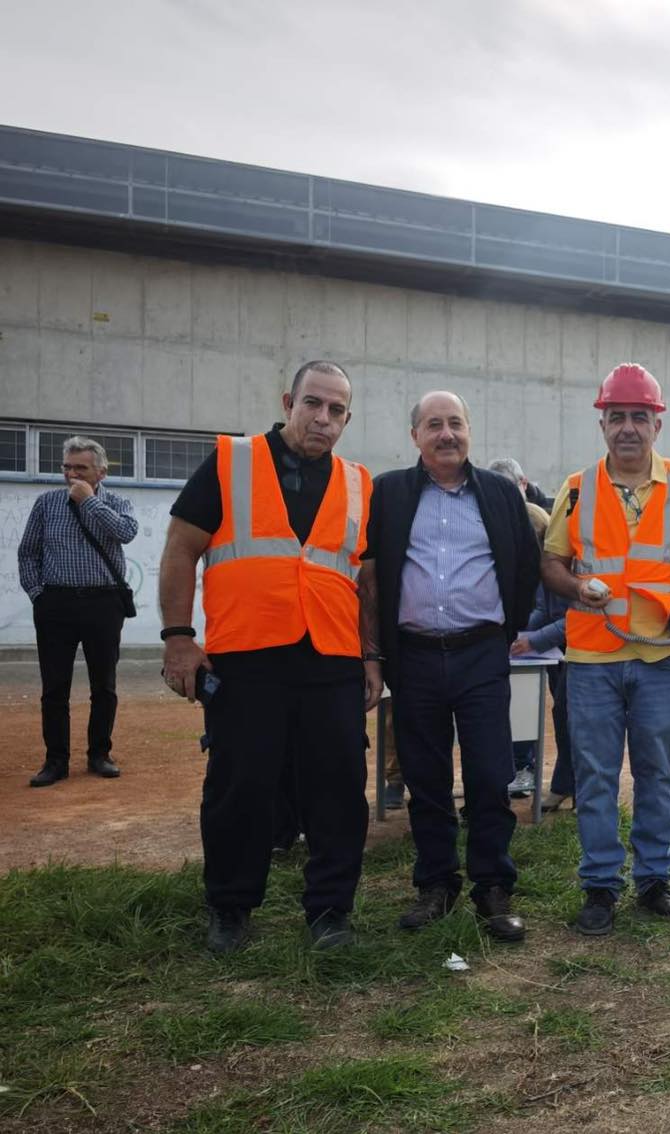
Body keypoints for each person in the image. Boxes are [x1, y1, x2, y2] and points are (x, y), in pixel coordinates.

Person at [158, 361, 376, 954]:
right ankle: (230, 908)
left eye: (337, 410)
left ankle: (330, 911)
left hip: (331, 659)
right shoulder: (231, 462)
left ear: (347, 419)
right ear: (288, 403)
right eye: (313, 404)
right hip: (247, 658)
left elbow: (367, 578)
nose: (323, 418)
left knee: (338, 787)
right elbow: (181, 547)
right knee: (241, 785)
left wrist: (371, 655)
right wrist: (178, 637)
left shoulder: (358, 483)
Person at [540, 363, 670, 936]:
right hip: (593, 657)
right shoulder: (577, 487)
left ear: (656, 425)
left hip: (661, 655)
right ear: (602, 424)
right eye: (617, 416)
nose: (628, 427)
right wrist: (577, 589)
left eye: (639, 417)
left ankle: (653, 881)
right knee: (595, 776)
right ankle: (600, 886)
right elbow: (552, 563)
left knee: (655, 772)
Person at [360, 392, 540, 942]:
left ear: (469, 431)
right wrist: (375, 652)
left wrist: (504, 631)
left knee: (490, 774)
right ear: (414, 435)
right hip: (413, 657)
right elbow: (371, 577)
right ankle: (436, 884)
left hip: (481, 654)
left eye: (456, 423)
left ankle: (493, 886)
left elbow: (525, 566)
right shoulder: (388, 493)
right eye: (434, 424)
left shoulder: (500, 494)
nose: (447, 434)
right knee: (425, 777)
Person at [18, 436, 138, 787]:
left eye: (81, 468)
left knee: (104, 685)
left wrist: (89, 502)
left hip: (103, 603)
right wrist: (38, 595)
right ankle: (56, 761)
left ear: (101, 472)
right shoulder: (46, 504)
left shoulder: (116, 503)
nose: (72, 474)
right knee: (54, 687)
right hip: (56, 603)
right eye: (67, 467)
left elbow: (126, 533)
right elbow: (28, 553)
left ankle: (99, 754)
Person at [489, 456, 559, 797]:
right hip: (524, 637)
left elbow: (550, 608)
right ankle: (519, 768)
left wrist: (517, 630)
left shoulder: (543, 524)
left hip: (544, 642)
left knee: (554, 711)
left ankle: (532, 770)